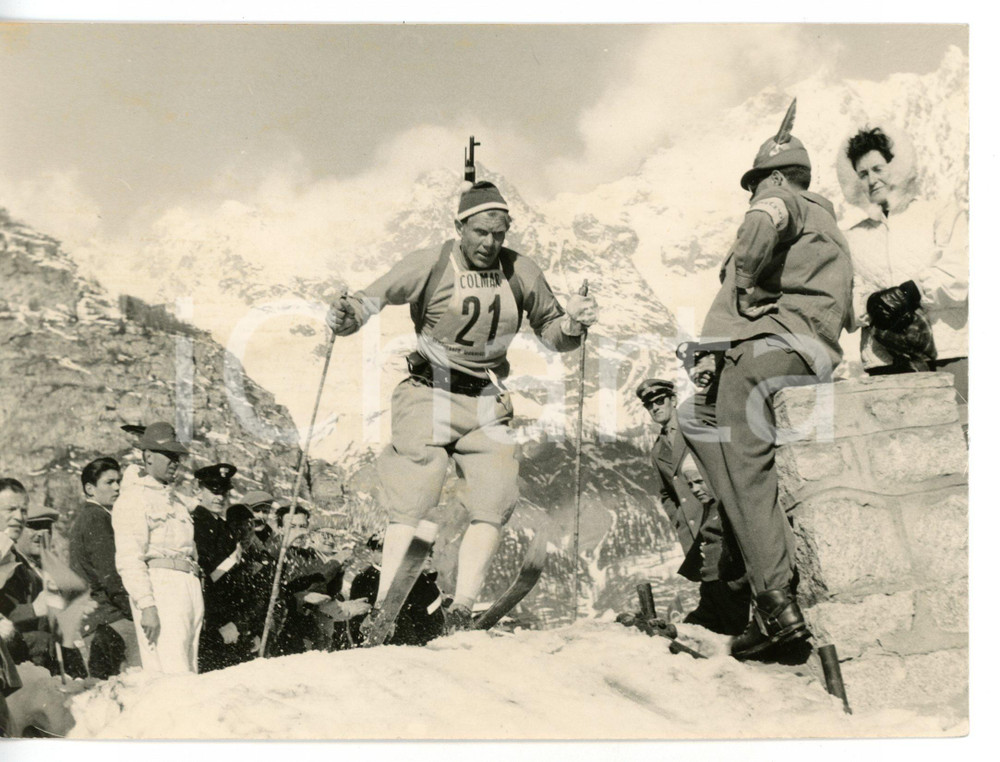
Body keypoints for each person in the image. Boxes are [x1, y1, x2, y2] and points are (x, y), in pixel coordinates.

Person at [325, 179, 598, 632]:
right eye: (481, 233)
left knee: (496, 498)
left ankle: (462, 607)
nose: (490, 243)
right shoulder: (430, 263)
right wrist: (345, 315)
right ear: (460, 227)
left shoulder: (520, 270)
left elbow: (553, 331)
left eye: (499, 235)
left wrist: (573, 324)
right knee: (414, 496)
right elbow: (368, 301)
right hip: (428, 391)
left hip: (486, 398)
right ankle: (384, 609)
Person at [689, 102, 854, 660]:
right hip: (813, 353)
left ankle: (773, 602)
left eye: (755, 183)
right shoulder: (828, 220)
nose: (752, 195)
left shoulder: (784, 200)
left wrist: (743, 276)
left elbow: (764, 220)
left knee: (746, 471)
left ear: (778, 178)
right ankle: (747, 545)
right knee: (694, 418)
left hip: (772, 351)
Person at [838, 125, 968, 417]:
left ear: (897, 167)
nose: (872, 179)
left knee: (961, 432)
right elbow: (846, 298)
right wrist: (869, 304)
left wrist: (913, 291)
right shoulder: (853, 237)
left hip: (947, 352)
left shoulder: (941, 213)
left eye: (878, 168)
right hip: (884, 362)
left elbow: (961, 274)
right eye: (862, 174)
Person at [635, 380, 750, 636]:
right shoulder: (657, 449)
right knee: (712, 584)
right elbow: (666, 493)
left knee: (728, 581)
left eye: (660, 401)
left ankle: (739, 637)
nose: (655, 408)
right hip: (693, 528)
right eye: (649, 405)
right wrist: (679, 519)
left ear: (673, 400)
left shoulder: (695, 427)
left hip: (718, 516)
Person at [112, 422, 204, 673]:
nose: (175, 462)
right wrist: (147, 605)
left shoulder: (175, 500)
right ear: (149, 456)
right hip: (162, 587)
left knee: (190, 670)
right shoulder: (134, 498)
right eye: (169, 455)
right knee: (173, 671)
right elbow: (130, 559)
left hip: (188, 584)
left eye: (177, 456)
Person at [69, 457, 141, 677]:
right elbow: (110, 574)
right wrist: (134, 611)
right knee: (139, 683)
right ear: (90, 489)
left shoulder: (91, 517)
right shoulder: (96, 518)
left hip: (100, 620)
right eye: (109, 482)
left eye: (118, 481)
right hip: (112, 619)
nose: (117, 487)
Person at [191, 463, 246, 672]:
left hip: (229, 621)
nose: (220, 497)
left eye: (224, 492)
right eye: (214, 491)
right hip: (210, 620)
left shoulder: (224, 528)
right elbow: (205, 578)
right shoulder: (195, 524)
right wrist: (220, 623)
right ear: (199, 491)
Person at [349, 533, 445, 647]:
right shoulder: (364, 579)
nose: (385, 554)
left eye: (389, 550)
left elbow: (432, 618)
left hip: (417, 646)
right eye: (380, 550)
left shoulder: (419, 579)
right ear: (372, 552)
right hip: (383, 647)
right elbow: (356, 619)